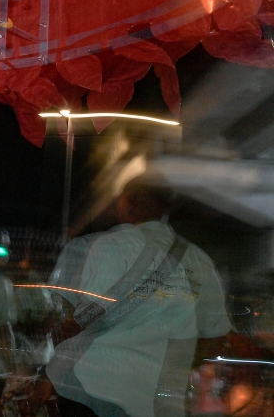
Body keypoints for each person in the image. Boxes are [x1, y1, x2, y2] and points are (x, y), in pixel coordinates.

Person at [25, 178, 232, 417]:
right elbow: (214, 342)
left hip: (88, 393)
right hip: (161, 404)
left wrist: (44, 374)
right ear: (167, 208)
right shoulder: (201, 262)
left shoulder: (90, 246)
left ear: (128, 203)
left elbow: (59, 323)